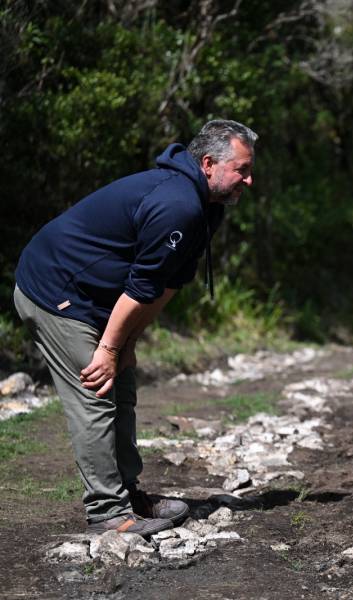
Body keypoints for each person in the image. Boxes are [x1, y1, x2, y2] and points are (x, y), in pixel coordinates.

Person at [13, 119, 257, 537]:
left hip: (98, 301)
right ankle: (107, 512)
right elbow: (142, 286)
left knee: (122, 389)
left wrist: (126, 343)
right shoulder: (178, 203)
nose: (249, 181)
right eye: (242, 170)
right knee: (96, 392)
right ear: (209, 163)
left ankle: (128, 495)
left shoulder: (207, 207)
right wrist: (108, 349)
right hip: (55, 291)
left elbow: (167, 285)